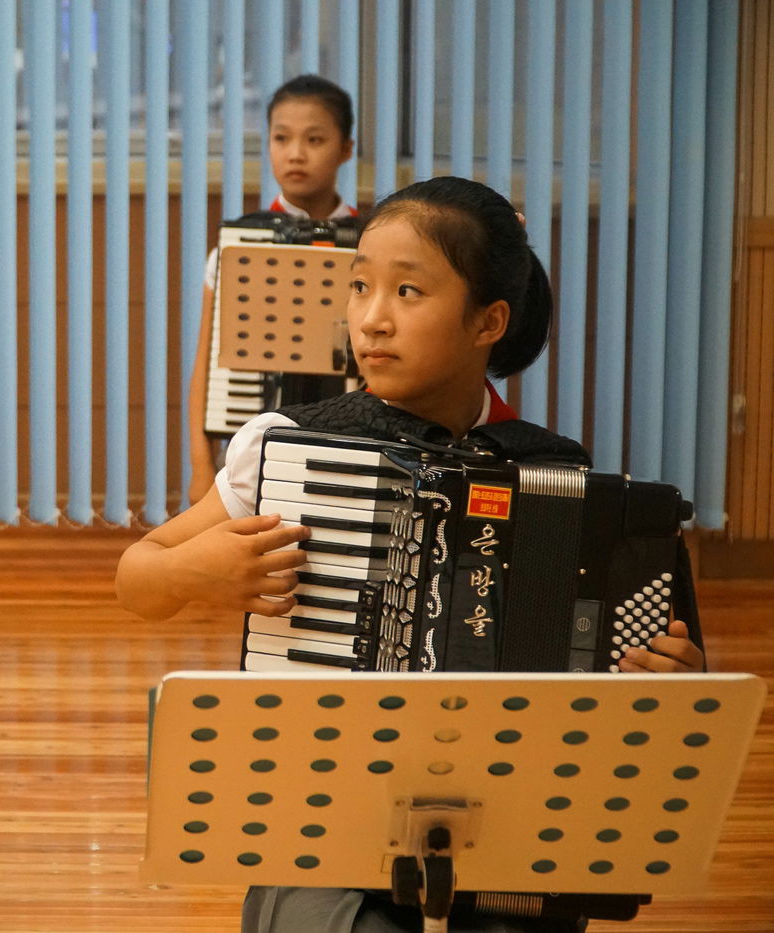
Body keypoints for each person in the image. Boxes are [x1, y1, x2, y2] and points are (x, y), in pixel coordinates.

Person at [117, 176, 704, 933]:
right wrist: (191, 570)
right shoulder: (290, 447)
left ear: (488, 320)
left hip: (506, 817)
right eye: (359, 285)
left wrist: (663, 680)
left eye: (408, 292)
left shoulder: (553, 474)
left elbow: (630, 702)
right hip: (326, 809)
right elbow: (137, 577)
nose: (371, 319)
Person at [187, 74, 359, 502]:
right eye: (281, 139)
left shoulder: (372, 243)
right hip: (253, 458)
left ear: (346, 150)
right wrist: (201, 466)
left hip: (351, 452)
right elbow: (207, 367)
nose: (295, 154)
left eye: (315, 140)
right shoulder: (238, 247)